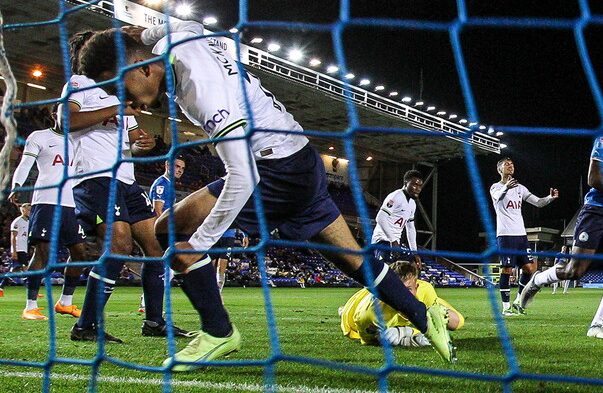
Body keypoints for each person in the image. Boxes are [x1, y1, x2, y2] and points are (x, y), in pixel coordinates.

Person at [78, 21, 454, 370]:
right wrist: (145, 32)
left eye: (119, 90)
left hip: (274, 171)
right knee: (352, 259)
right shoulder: (177, 45)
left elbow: (242, 176)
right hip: (299, 159)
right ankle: (424, 315)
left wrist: (202, 244)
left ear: (143, 69)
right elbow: (188, 24)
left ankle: (219, 331)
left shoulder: (202, 90)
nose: (125, 104)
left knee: (171, 233)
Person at [61, 31, 191, 342]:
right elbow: (66, 121)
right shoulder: (79, 83)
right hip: (94, 178)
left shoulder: (118, 91)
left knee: (156, 247)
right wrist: (115, 110)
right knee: (118, 245)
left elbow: (133, 139)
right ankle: (85, 326)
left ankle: (155, 322)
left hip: (127, 181)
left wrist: (143, 142)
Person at [516, 92, 603, 339]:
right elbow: (594, 179)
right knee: (575, 271)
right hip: (598, 208)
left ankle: (597, 325)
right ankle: (538, 279)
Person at [9, 124, 89, 320]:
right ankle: (30, 306)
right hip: (47, 201)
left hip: (74, 204)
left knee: (80, 252)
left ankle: (65, 302)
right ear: (56, 115)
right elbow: (25, 163)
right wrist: (17, 185)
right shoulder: (39, 136)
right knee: (43, 252)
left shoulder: (80, 139)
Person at [489, 158, 557, 315]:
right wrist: (506, 186)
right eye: (506, 165)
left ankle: (518, 301)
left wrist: (550, 198)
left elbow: (538, 202)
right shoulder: (496, 187)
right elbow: (498, 196)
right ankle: (506, 308)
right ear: (499, 170)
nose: (510, 166)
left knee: (529, 269)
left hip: (521, 235)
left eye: (512, 164)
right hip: (506, 235)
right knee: (507, 270)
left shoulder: (520, 188)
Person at [340, 260, 463, 347]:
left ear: (416, 286)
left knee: (455, 322)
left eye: (408, 289)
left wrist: (407, 332)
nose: (403, 295)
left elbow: (450, 323)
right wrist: (405, 336)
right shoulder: (370, 315)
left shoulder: (425, 290)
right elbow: (368, 340)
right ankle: (342, 309)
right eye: (398, 290)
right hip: (355, 307)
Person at [141, 156, 185, 311]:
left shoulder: (169, 185)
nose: (179, 170)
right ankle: (149, 302)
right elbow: (158, 210)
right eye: (177, 166)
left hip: (166, 229)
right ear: (167, 165)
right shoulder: (162, 184)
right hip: (162, 231)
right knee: (167, 267)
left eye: (182, 168)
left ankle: (147, 302)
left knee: (167, 268)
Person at [372, 170, 424, 266]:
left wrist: (414, 252)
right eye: (415, 185)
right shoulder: (396, 196)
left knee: (414, 265)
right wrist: (393, 240)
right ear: (405, 183)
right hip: (382, 241)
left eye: (420, 186)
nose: (418, 189)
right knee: (387, 270)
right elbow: (380, 218)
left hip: (395, 243)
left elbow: (411, 229)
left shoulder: (412, 204)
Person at [5, 203, 32, 296]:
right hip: (19, 248)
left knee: (15, 270)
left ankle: (1, 286)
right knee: (26, 268)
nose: (30, 212)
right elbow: (13, 237)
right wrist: (14, 251)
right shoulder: (17, 222)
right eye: (28, 210)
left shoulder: (28, 222)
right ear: (23, 210)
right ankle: (31, 291)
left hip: (24, 248)